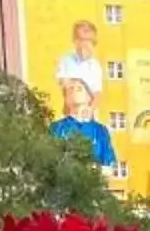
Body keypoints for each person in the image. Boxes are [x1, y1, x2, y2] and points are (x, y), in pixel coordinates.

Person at [49, 29, 116, 166]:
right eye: (81, 40)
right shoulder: (57, 128)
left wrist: (90, 108)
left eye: (89, 41)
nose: (85, 44)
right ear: (75, 41)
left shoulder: (99, 132)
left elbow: (108, 166)